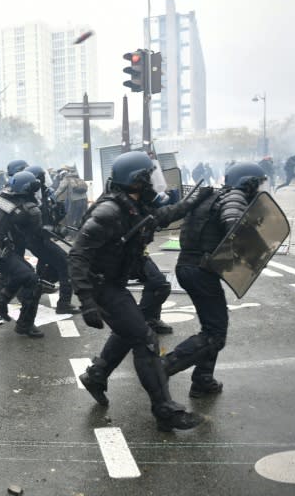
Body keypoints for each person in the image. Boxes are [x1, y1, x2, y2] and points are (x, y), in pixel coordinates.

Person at [69, 151, 210, 431]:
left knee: (129, 331)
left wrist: (193, 200)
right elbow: (77, 256)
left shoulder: (133, 205)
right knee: (145, 339)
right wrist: (86, 301)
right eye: (149, 176)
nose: (153, 182)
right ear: (137, 180)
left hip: (113, 282)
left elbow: (162, 216)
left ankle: (96, 376)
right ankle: (164, 410)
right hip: (102, 285)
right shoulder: (109, 211)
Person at [162, 162, 267, 399]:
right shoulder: (234, 197)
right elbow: (234, 224)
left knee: (212, 327)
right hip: (199, 270)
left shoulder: (214, 196)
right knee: (215, 334)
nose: (260, 189)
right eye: (258, 183)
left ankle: (203, 380)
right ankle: (164, 368)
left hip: (191, 268)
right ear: (247, 182)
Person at [0, 171, 46, 338]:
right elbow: (34, 231)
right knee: (33, 280)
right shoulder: (22, 209)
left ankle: (1, 302)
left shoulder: (2, 198)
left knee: (23, 273)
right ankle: (24, 325)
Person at [25, 165, 79, 315]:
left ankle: (36, 289)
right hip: (38, 240)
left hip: (41, 240)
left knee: (48, 266)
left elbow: (48, 216)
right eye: (44, 176)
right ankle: (64, 304)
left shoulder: (40, 193)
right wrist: (55, 230)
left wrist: (58, 213)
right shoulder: (31, 197)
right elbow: (37, 226)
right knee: (66, 264)